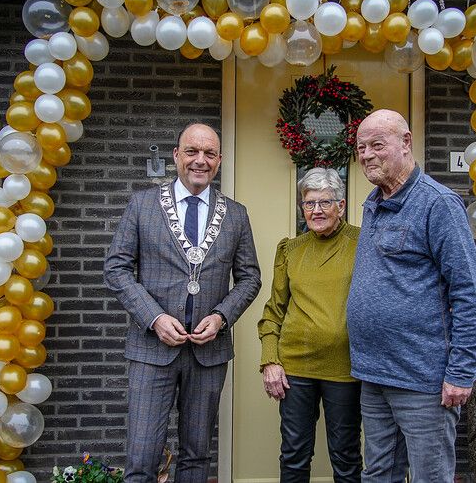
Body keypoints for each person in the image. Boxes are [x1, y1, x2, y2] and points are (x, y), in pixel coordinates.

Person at [104, 123, 261, 483]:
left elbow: (250, 278)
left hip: (208, 354)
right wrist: (154, 317)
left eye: (209, 154)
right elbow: (116, 268)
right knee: (142, 456)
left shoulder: (236, 214)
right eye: (192, 151)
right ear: (176, 155)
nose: (200, 161)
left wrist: (222, 316)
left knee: (196, 457)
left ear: (219, 160)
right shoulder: (142, 205)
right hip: (151, 350)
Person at [347, 109, 476, 483]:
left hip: (423, 380)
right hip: (374, 374)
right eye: (361, 147)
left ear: (406, 143)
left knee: (430, 476)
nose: (367, 155)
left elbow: (468, 293)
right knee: (378, 474)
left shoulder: (438, 204)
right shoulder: (373, 202)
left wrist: (461, 371)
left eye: (378, 144)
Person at [258, 168, 363, 483]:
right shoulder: (291, 249)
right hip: (296, 369)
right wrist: (270, 360)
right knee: (294, 454)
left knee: (346, 455)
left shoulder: (363, 243)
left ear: (341, 206)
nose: (316, 211)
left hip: (346, 369)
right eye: (309, 203)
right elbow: (274, 310)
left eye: (325, 203)